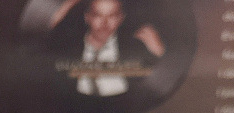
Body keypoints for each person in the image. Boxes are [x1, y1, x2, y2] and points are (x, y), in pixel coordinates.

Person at [23, 0, 165, 96]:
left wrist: (160, 53)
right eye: (98, 15)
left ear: (120, 19)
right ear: (88, 18)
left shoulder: (135, 49)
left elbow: (156, 87)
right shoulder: (67, 47)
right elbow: (34, 46)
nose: (104, 23)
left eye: (112, 16)